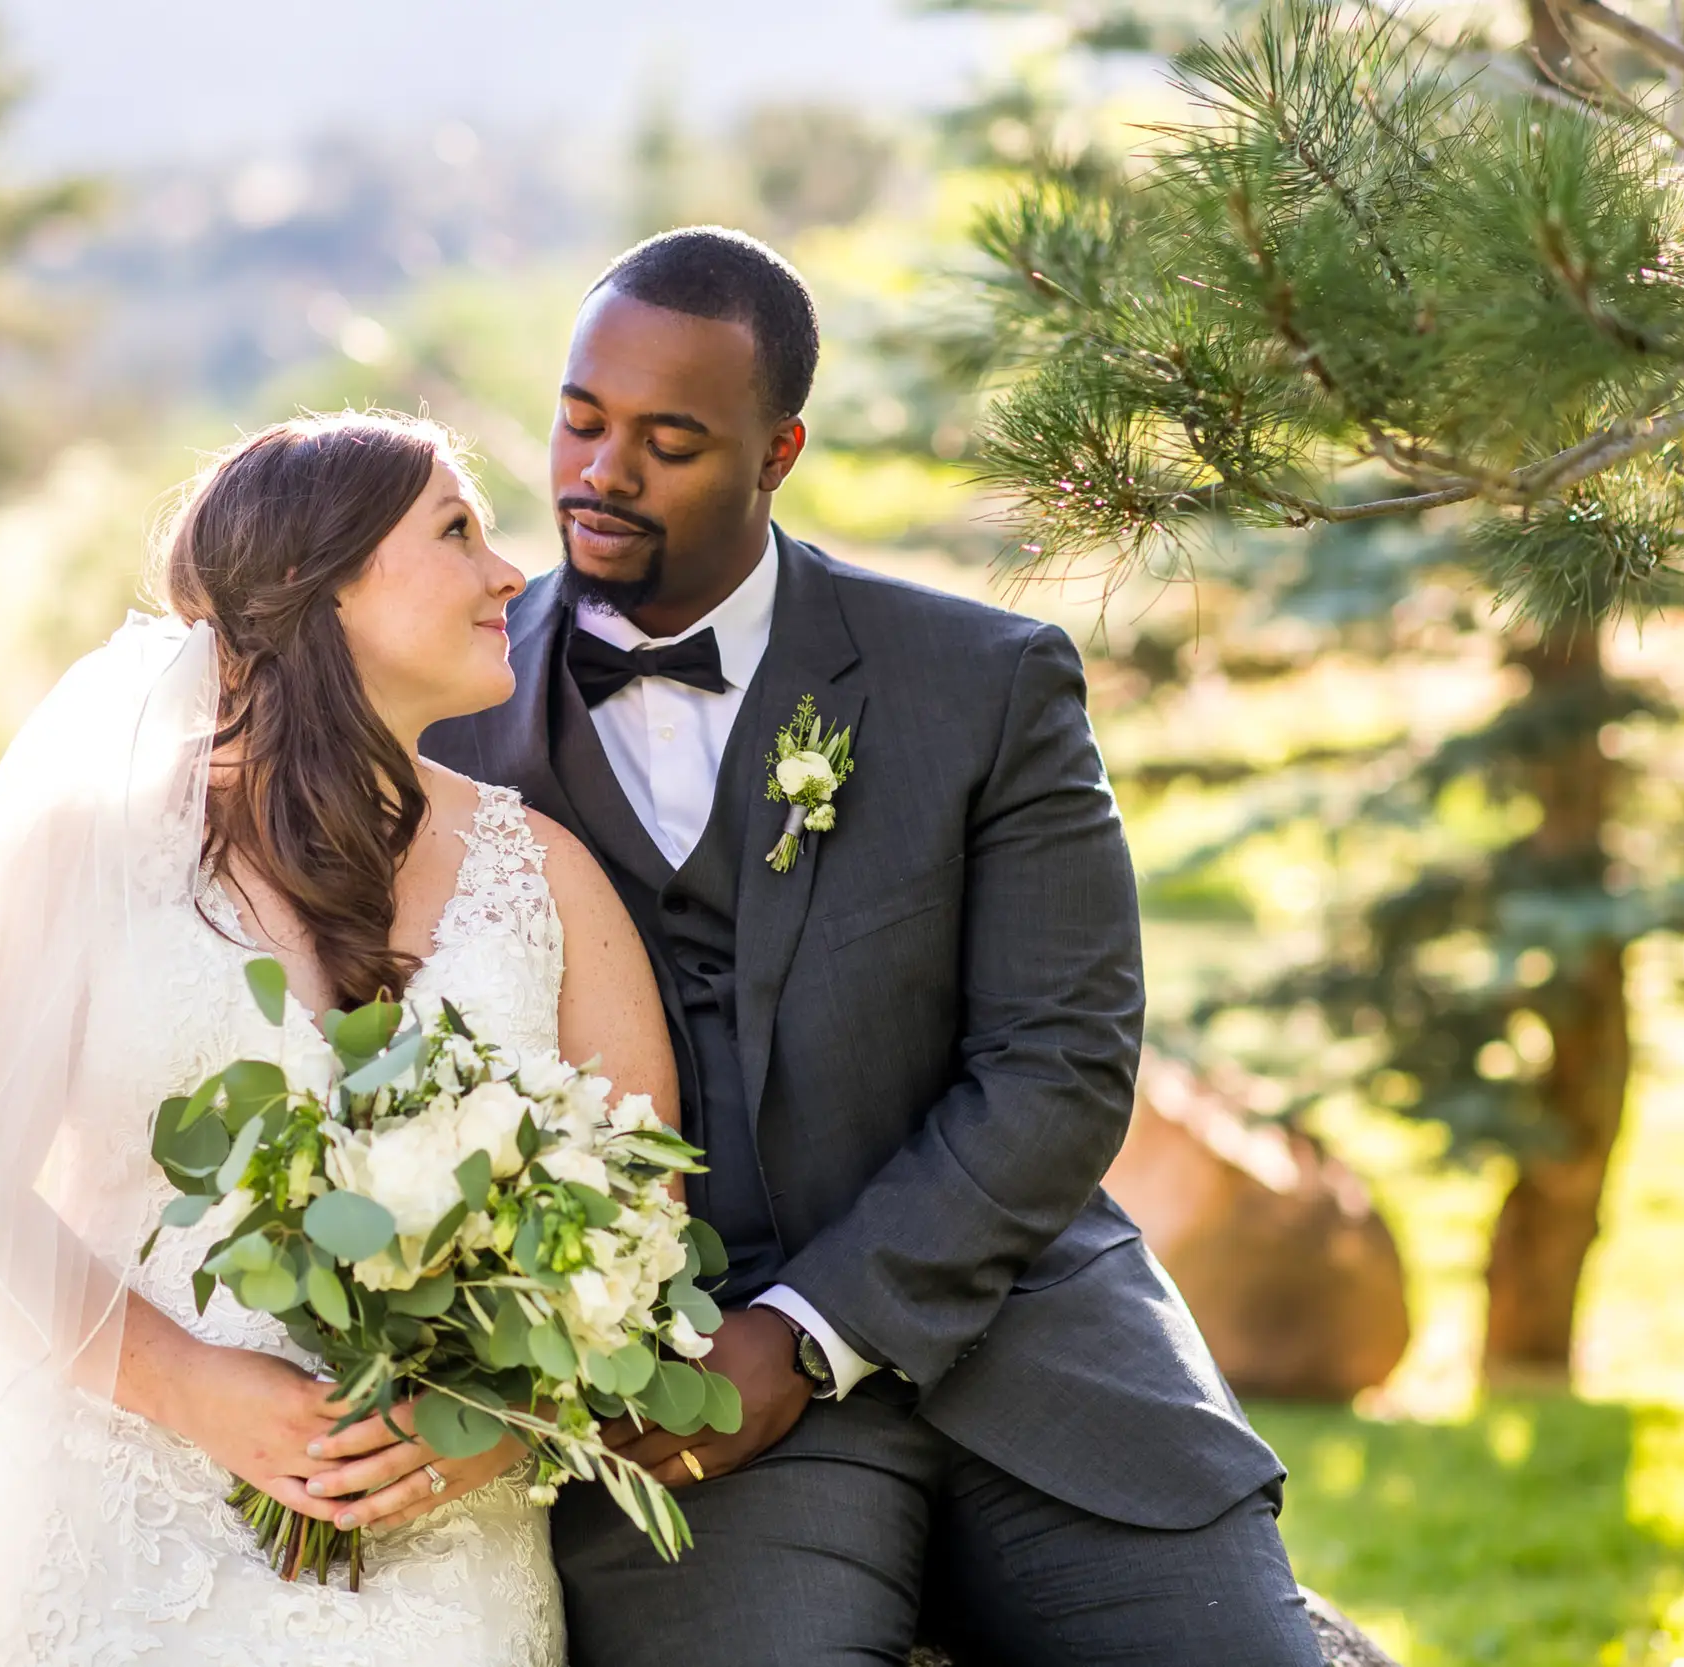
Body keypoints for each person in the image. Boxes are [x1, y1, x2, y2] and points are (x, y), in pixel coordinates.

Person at [422, 226, 1326, 1666]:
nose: (602, 475)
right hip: (680, 1413)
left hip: (1024, 1346)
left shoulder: (982, 684)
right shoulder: (444, 712)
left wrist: (802, 1328)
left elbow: (1060, 1067)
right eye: (582, 422)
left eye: (670, 440)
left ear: (778, 454)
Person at [0, 413, 674, 1665]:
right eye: (457, 533)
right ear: (319, 587)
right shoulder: (88, 853)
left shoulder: (544, 878)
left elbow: (641, 1215)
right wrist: (191, 1385)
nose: (511, 574)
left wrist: (492, 1417)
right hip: (120, 1517)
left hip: (439, 1555)